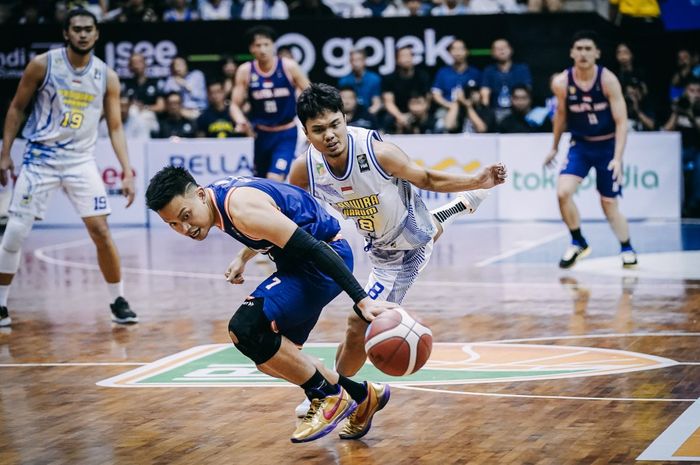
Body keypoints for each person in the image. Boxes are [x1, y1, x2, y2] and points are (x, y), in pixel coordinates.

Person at [288, 83, 507, 419]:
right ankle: (463, 206)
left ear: (345, 118)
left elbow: (427, 179)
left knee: (357, 322)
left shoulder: (378, 152)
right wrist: (247, 254)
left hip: (405, 254)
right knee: (428, 228)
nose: (329, 135)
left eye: (335, 124)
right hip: (381, 243)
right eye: (318, 130)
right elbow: (282, 214)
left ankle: (330, 393)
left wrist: (477, 180)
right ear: (306, 132)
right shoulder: (305, 169)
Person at [145, 166, 394, 443]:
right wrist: (243, 256)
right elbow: (272, 223)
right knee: (274, 360)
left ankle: (327, 397)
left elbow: (314, 247)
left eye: (185, 217)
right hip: (300, 264)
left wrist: (361, 299)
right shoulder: (219, 200)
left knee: (246, 328)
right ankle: (363, 396)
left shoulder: (240, 207)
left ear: (200, 195)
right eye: (173, 225)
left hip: (321, 261)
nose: (185, 228)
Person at [0, 8, 138, 327]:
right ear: (66, 33)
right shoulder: (43, 65)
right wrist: (5, 153)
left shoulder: (106, 75)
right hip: (40, 158)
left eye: (88, 29)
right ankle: (2, 305)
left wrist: (127, 171)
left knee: (101, 231)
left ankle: (118, 300)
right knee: (16, 232)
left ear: (97, 33)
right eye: (76, 29)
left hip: (80, 161)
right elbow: (17, 107)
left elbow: (116, 127)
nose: (83, 34)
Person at [543, 30, 638, 269]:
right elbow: (561, 116)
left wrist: (618, 158)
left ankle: (626, 246)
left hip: (606, 146)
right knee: (563, 192)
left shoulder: (608, 80)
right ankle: (578, 241)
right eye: (579, 49)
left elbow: (621, 122)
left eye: (588, 49)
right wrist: (554, 147)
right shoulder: (562, 82)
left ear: (597, 53)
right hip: (581, 145)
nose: (584, 53)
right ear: (572, 53)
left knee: (609, 205)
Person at [229, 26, 310, 180]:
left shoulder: (288, 66)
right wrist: (241, 121)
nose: (263, 49)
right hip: (261, 134)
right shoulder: (245, 71)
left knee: (274, 178)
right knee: (261, 182)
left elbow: (311, 93)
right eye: (258, 45)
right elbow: (234, 105)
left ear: (273, 45)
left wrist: (310, 124)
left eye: (266, 44)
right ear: (251, 48)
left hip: (286, 132)